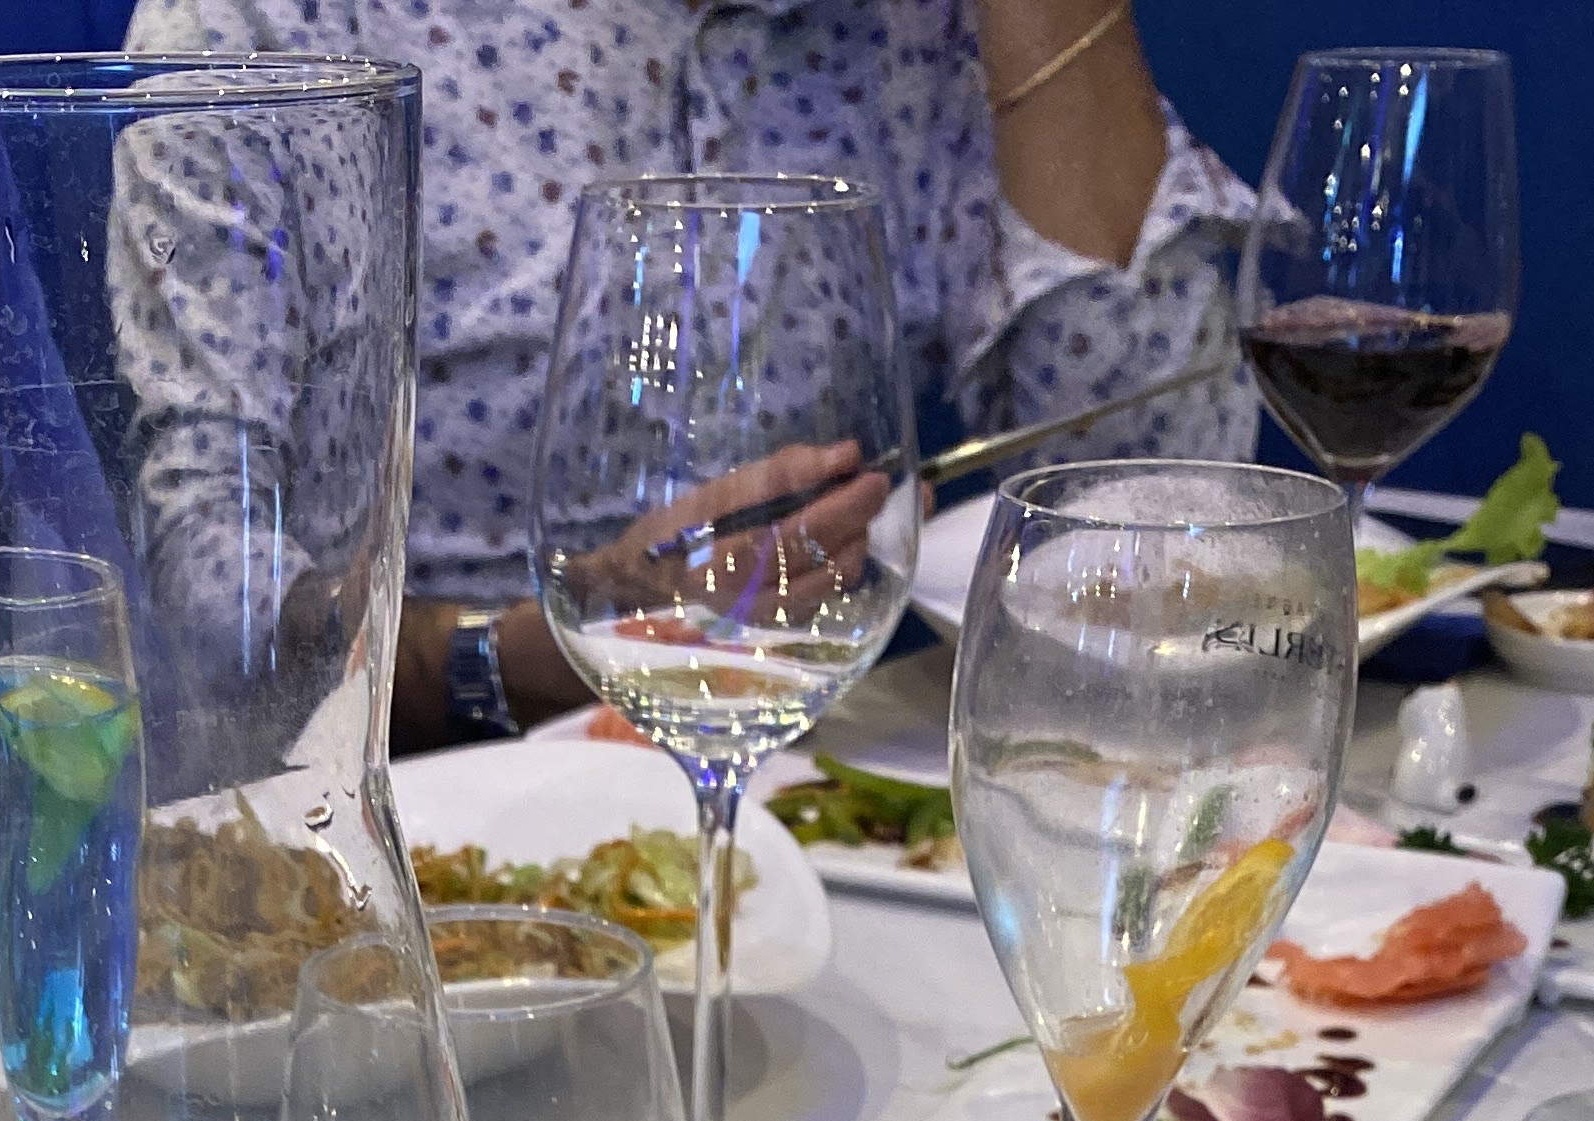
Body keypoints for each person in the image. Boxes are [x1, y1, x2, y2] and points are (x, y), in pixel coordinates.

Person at [119, 0, 1255, 746]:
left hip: (809, 826)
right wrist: (540, 652)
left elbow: (1159, 531)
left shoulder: (912, 32)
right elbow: (208, 602)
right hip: (405, 847)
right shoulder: (275, 29)